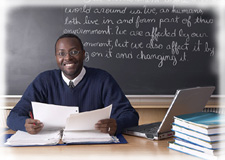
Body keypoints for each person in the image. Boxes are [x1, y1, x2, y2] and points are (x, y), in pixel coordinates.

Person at [7, 34, 139, 135]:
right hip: (53, 149)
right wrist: (24, 124)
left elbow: (131, 115)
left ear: (83, 55)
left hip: (95, 149)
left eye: (74, 52)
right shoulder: (44, 81)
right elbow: (13, 117)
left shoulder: (102, 79)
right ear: (56, 57)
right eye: (61, 53)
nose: (68, 58)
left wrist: (117, 124)